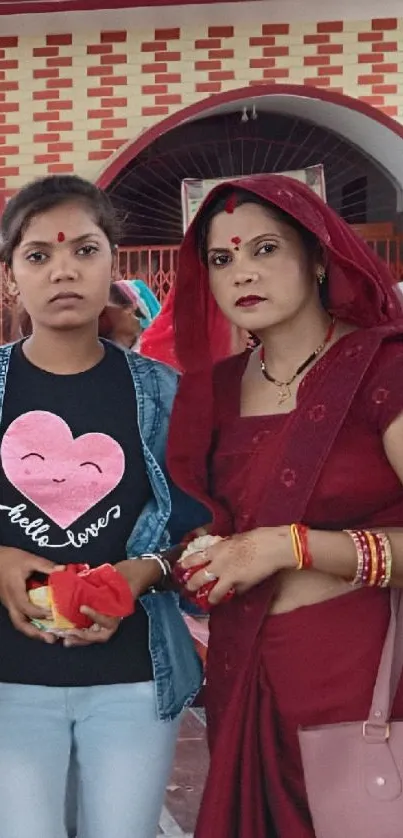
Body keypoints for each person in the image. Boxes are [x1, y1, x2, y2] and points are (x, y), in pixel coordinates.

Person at [165, 174, 403, 837]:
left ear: (318, 258)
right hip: (247, 682)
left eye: (265, 249)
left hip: (361, 683)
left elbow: (269, 540)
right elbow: (204, 526)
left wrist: (287, 545)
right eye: (222, 258)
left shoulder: (381, 371)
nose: (243, 271)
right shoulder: (208, 393)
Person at [0, 173, 204, 838]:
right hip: (10, 683)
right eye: (39, 256)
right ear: (11, 279)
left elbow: (203, 537)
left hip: (133, 680)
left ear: (112, 265)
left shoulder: (163, 394)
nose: (63, 271)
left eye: (84, 250)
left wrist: (143, 572)